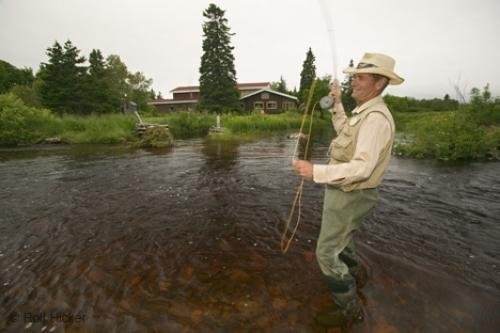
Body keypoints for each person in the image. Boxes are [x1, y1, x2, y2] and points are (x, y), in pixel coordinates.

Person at [292, 52, 404, 328]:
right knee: (343, 240)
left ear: (378, 83)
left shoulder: (376, 118)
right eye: (353, 76)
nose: (353, 81)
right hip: (344, 191)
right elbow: (345, 131)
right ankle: (357, 277)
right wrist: (337, 104)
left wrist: (316, 171)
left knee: (326, 252)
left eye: (360, 77)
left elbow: (363, 168)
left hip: (352, 193)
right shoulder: (363, 113)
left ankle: (349, 309)